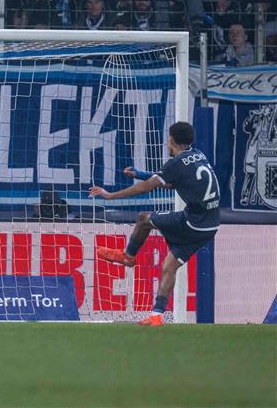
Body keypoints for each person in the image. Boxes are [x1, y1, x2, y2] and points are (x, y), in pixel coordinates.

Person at [88, 122, 220, 326]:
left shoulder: (175, 164)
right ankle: (157, 315)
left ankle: (128, 256)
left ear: (171, 139)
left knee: (143, 219)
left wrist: (110, 195)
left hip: (193, 222)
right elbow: (170, 181)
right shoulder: (198, 155)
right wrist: (140, 173)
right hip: (210, 226)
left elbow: (147, 188)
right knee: (169, 265)